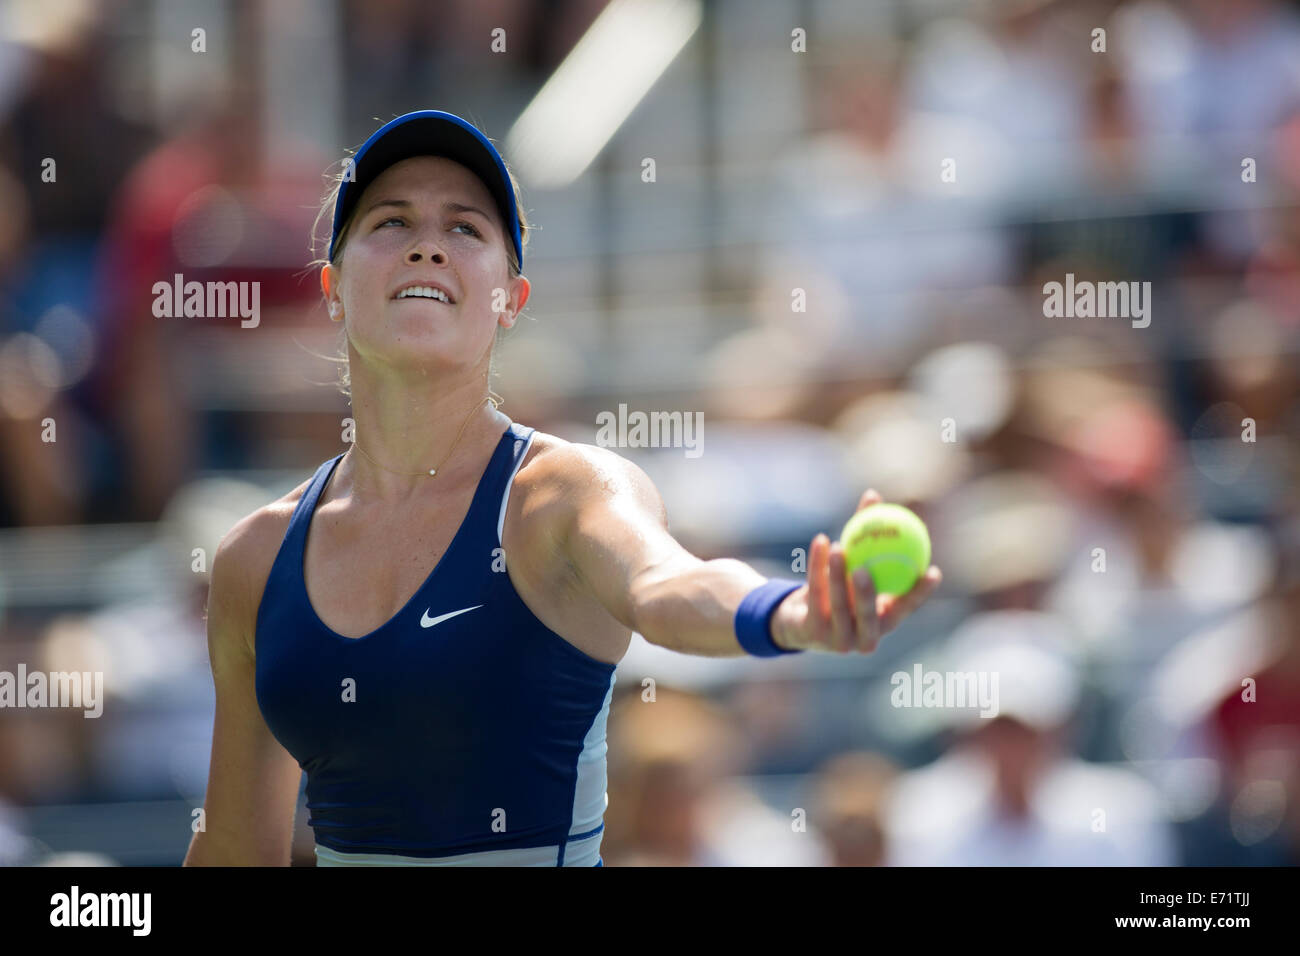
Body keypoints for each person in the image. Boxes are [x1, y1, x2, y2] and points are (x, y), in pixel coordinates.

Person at [182, 110, 942, 867]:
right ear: (333, 289)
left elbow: (666, 585)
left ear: (511, 299)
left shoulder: (566, 494)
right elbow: (232, 851)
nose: (426, 245)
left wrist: (784, 612)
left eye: (465, 230)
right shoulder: (254, 559)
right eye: (391, 221)